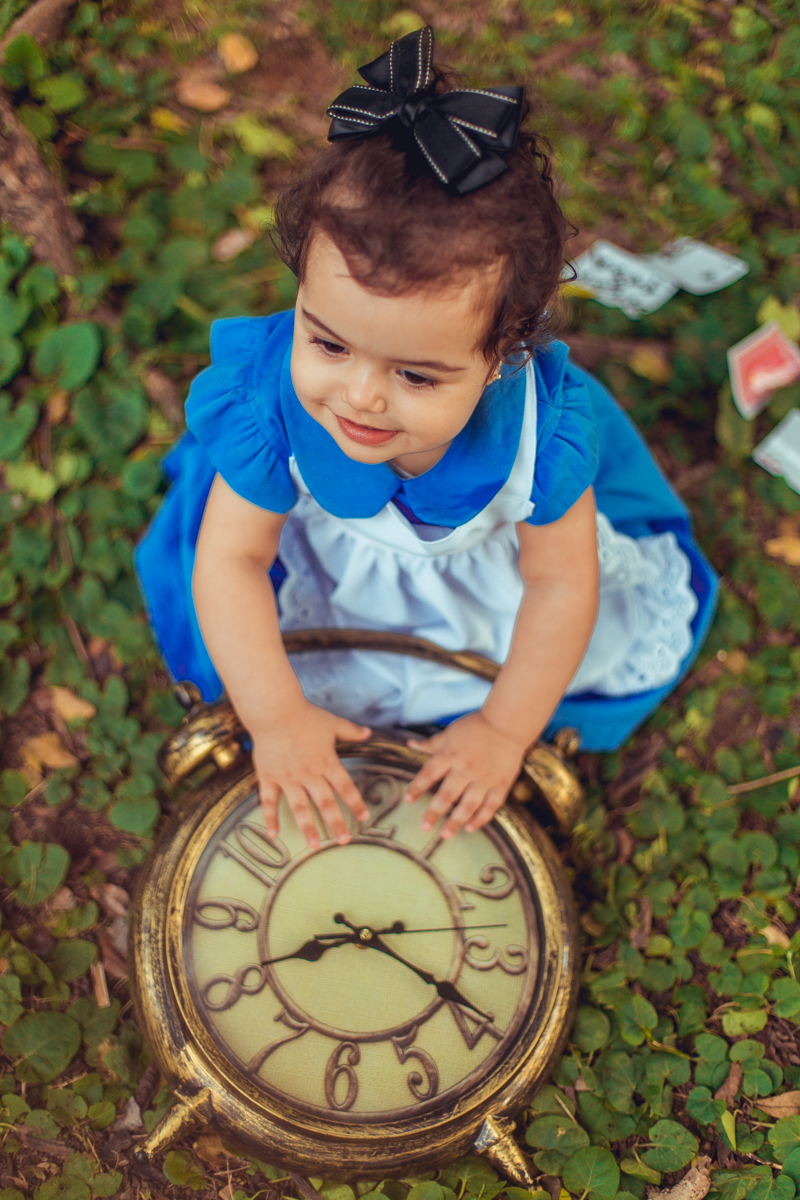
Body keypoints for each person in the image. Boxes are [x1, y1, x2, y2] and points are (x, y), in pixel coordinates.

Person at [136, 27, 717, 851]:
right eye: (328, 343)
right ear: (302, 291)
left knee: (573, 646)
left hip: (487, 587)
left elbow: (559, 587)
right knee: (251, 645)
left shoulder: (537, 437)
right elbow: (232, 561)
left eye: (417, 375)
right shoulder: (275, 402)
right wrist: (276, 719)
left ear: (502, 356)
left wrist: (505, 730)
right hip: (332, 570)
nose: (360, 397)